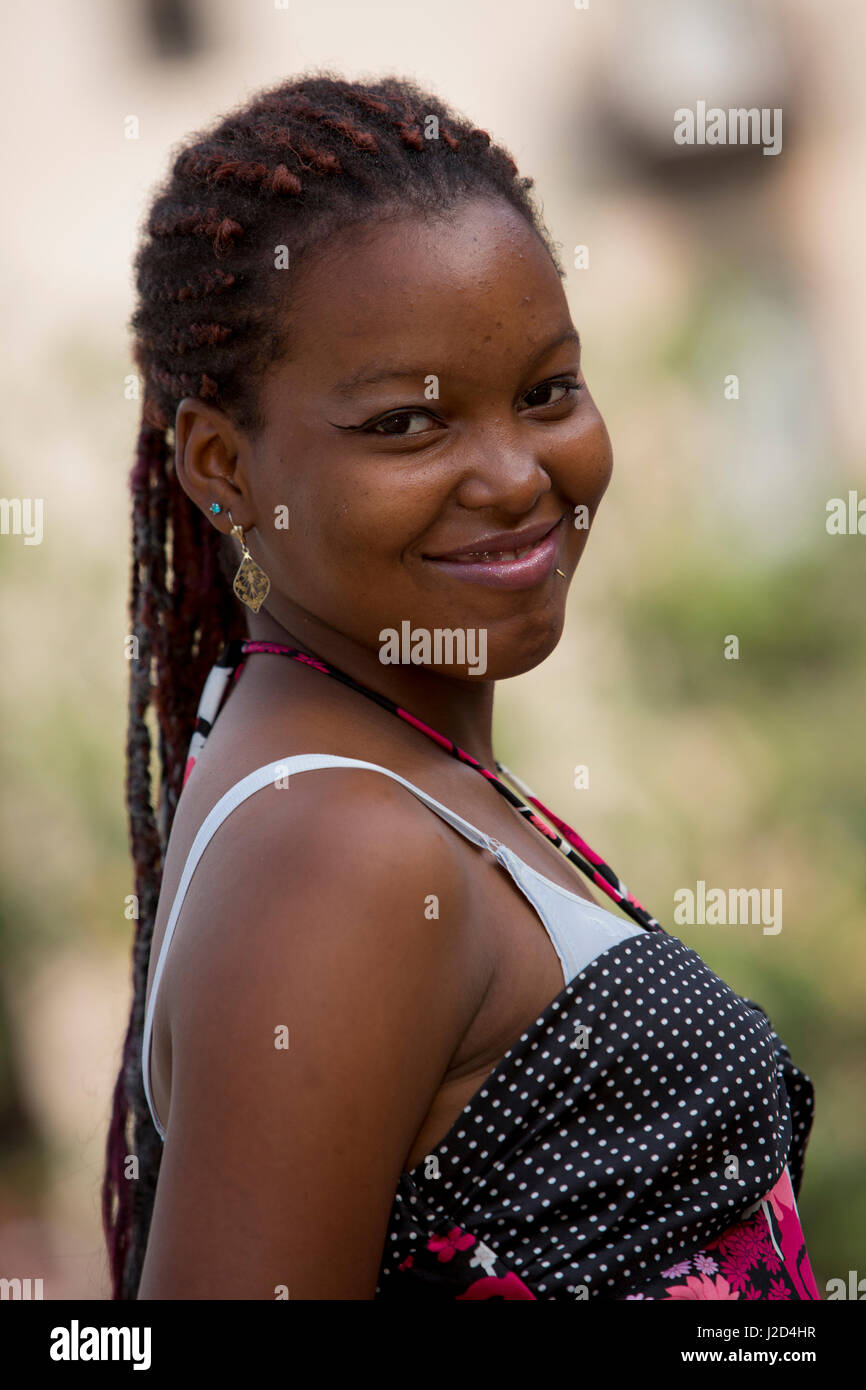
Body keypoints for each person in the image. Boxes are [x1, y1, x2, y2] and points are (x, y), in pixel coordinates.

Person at [103, 72, 818, 1301]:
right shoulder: (338, 849)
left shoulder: (382, 772)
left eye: (545, 393)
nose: (513, 476)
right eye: (406, 427)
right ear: (222, 468)